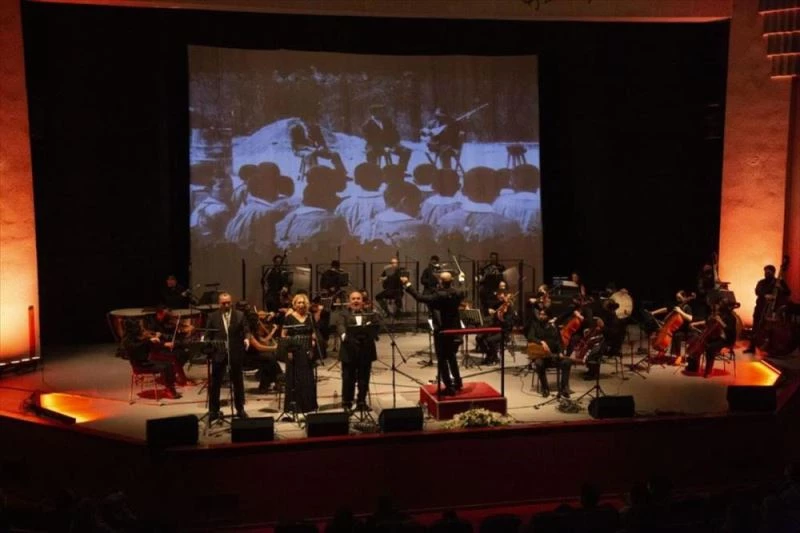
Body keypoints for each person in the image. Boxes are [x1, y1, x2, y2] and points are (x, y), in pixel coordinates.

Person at [400, 271, 465, 395]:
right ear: (452, 281)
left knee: (442, 360)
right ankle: (458, 382)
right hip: (455, 330)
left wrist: (407, 284)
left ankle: (449, 387)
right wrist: (462, 280)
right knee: (452, 357)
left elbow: (419, 297)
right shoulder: (458, 293)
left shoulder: (439, 296)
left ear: (440, 282)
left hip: (442, 331)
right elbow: (462, 290)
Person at [204, 292, 250, 420]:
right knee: (215, 383)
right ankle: (214, 410)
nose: (226, 305)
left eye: (228, 303)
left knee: (238, 382)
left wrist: (247, 339)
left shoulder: (240, 315)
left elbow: (246, 330)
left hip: (235, 352)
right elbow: (208, 335)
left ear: (231, 302)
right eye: (223, 303)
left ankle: (240, 409)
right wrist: (209, 346)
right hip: (219, 353)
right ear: (219, 303)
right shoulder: (212, 316)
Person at [334, 290, 378, 411]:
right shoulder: (343, 314)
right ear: (349, 301)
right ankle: (347, 402)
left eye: (358, 298)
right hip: (349, 350)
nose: (356, 301)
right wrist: (344, 335)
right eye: (353, 299)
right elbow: (340, 325)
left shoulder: (369, 313)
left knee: (364, 378)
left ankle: (361, 402)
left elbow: (376, 326)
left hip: (365, 350)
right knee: (348, 378)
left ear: (362, 301)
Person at [122, 319, 181, 399]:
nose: (141, 329)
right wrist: (149, 341)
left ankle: (170, 387)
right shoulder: (127, 341)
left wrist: (163, 344)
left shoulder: (136, 338)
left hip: (146, 362)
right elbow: (137, 347)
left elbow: (150, 344)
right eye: (139, 327)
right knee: (165, 367)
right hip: (139, 365)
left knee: (169, 364)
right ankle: (169, 389)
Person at [282, 293, 319, 413]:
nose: (301, 305)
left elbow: (313, 332)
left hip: (307, 350)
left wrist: (313, 342)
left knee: (307, 377)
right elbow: (284, 334)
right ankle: (294, 406)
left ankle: (308, 406)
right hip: (293, 350)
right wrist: (288, 350)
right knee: (294, 378)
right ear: (295, 304)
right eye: (299, 302)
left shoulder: (310, 317)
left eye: (303, 302)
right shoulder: (289, 317)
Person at [527, 307, 573, 398]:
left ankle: (564, 388)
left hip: (554, 356)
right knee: (538, 363)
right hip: (542, 356)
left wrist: (560, 352)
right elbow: (530, 337)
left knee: (567, 362)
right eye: (540, 314)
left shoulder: (554, 327)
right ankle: (545, 388)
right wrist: (541, 342)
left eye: (543, 315)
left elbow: (559, 342)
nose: (541, 316)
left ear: (549, 316)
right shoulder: (535, 325)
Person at [745, 263, 791, 353]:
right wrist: (765, 295)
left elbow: (788, 292)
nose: (766, 274)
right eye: (765, 272)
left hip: (773, 310)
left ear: (773, 273)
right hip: (760, 308)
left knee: (771, 329)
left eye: (768, 272)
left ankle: (771, 347)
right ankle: (752, 347)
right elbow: (757, 291)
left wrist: (780, 288)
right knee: (756, 327)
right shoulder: (761, 282)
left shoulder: (779, 282)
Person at [686, 300, 737, 377]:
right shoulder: (721, 315)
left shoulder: (732, 318)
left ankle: (708, 371)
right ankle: (693, 366)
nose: (719, 306)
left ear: (726, 307)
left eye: (721, 305)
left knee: (710, 348)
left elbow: (729, 330)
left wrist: (720, 321)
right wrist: (695, 323)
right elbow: (708, 321)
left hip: (727, 341)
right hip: (719, 338)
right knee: (699, 340)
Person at [362, 104, 411, 173]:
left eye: (383, 112)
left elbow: (395, 134)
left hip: (390, 145)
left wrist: (396, 143)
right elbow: (369, 139)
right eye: (380, 112)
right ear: (374, 113)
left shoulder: (388, 121)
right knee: (370, 153)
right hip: (375, 146)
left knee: (406, 151)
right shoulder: (367, 125)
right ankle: (374, 172)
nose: (382, 113)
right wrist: (381, 146)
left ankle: (400, 171)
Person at [476, 289, 514, 365]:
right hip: (494, 328)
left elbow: (509, 324)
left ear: (505, 296)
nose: (499, 296)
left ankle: (493, 357)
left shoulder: (509, 308)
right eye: (498, 295)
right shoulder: (498, 304)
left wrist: (501, 318)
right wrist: (488, 310)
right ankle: (490, 355)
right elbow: (487, 310)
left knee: (490, 340)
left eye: (501, 294)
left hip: (503, 331)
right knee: (479, 337)